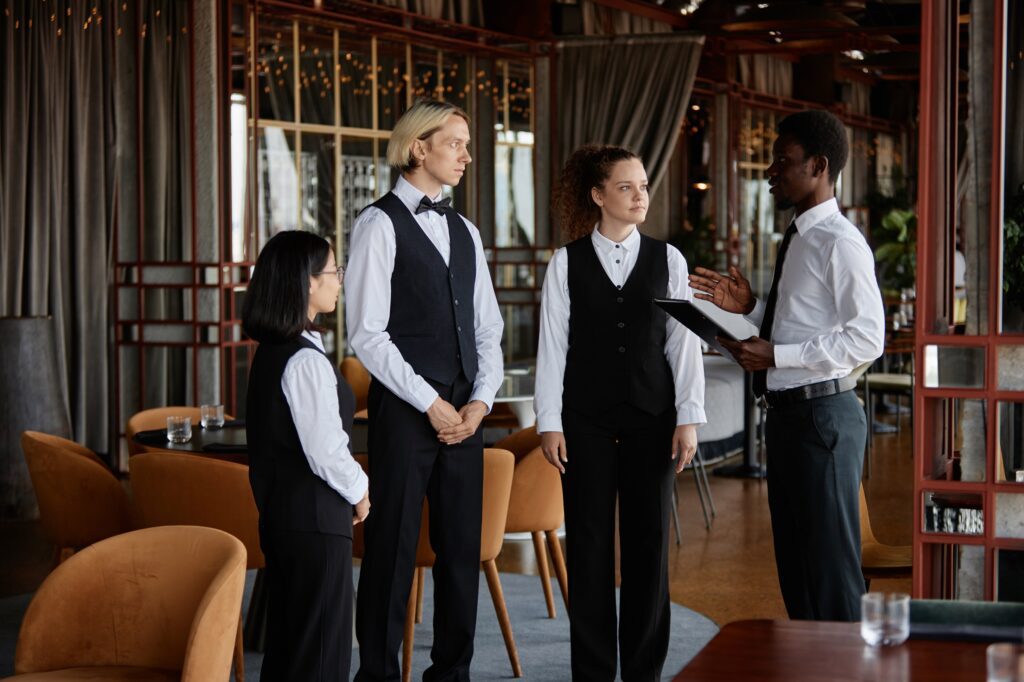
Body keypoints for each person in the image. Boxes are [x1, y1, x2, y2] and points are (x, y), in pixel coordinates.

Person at [689, 109, 885, 621]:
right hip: (790, 418)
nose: (771, 172)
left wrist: (774, 354)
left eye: (783, 161)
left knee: (828, 572)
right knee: (797, 568)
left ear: (819, 166)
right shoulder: (799, 237)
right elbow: (804, 325)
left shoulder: (839, 241)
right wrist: (751, 311)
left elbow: (869, 337)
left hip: (822, 417)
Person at [346, 99, 504, 681]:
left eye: (465, 144)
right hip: (409, 414)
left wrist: (479, 401)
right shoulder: (378, 223)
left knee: (460, 555)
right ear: (419, 148)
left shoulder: (466, 230)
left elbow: (488, 326)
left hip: (466, 414)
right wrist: (431, 403)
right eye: (456, 143)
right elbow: (367, 333)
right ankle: (380, 676)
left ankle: (451, 674)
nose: (466, 154)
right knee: (390, 553)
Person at [535, 144, 706, 680]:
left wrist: (689, 417)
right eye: (627, 187)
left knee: (648, 545)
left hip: (653, 417)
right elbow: (552, 347)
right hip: (583, 420)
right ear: (598, 194)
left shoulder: (668, 259)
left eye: (644, 186)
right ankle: (591, 671)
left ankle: (642, 671)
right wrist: (549, 422)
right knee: (586, 547)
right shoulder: (566, 262)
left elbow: (684, 345)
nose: (640, 197)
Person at [241, 230, 370, 681]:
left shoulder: (274, 353)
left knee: (292, 648)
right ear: (307, 283)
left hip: (284, 517)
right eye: (334, 271)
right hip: (315, 522)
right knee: (319, 654)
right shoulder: (304, 360)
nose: (339, 279)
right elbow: (326, 451)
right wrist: (361, 491)